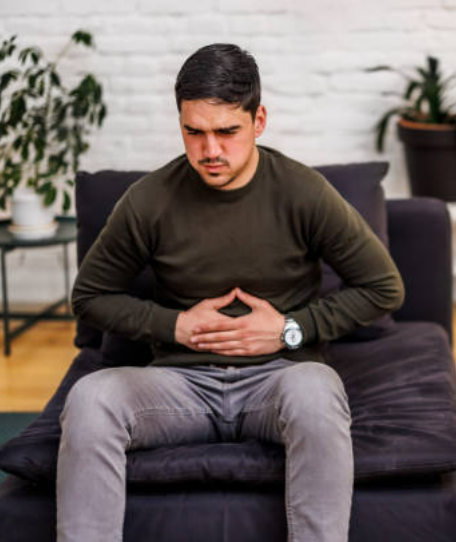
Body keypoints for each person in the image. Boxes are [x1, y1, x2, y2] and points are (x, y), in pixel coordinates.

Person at [57, 43, 405, 542]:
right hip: (179, 388)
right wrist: (174, 325)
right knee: (91, 399)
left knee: (318, 391)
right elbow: (89, 297)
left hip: (280, 380)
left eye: (226, 131)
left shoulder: (303, 192)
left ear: (258, 120)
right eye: (193, 132)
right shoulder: (149, 200)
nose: (210, 151)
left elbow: (384, 287)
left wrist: (289, 330)